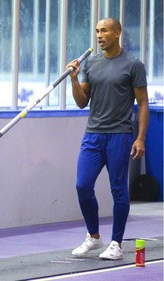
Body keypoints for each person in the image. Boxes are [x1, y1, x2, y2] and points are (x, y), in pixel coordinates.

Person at [66, 18, 149, 260]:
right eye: (97, 31)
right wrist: (73, 78)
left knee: (118, 190)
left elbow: (143, 103)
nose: (99, 35)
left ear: (117, 33)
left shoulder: (133, 65)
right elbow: (82, 101)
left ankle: (116, 243)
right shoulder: (91, 63)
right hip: (93, 135)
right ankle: (93, 237)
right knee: (82, 185)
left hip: (119, 136)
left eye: (104, 31)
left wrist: (141, 138)